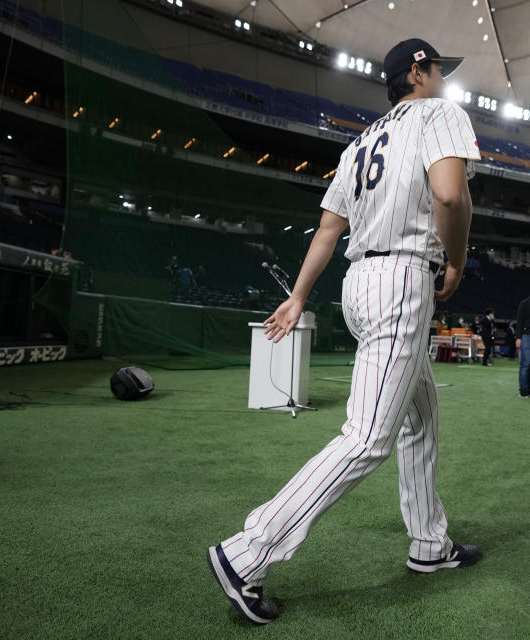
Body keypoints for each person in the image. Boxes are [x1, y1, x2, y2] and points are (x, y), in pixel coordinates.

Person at [206, 38, 482, 625]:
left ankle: (430, 544)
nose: (443, 79)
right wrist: (455, 260)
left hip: (360, 282)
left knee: (421, 419)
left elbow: (329, 229)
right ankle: (247, 551)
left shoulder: (360, 142)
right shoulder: (440, 113)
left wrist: (300, 294)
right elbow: (450, 195)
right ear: (418, 70)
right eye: (439, 68)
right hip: (403, 276)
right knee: (367, 438)